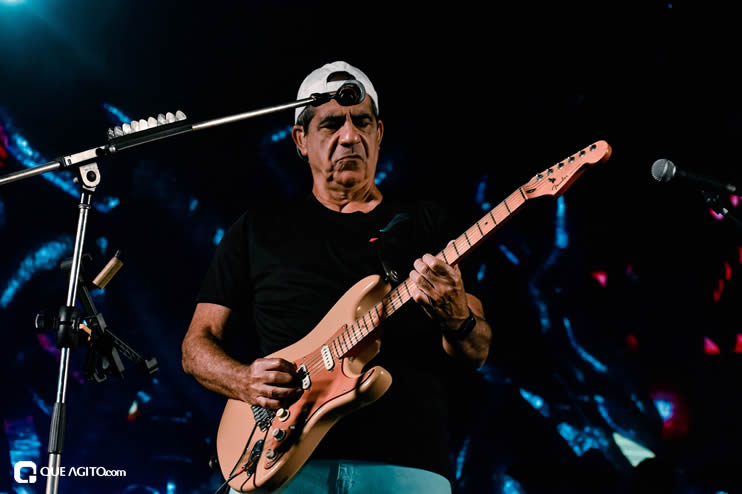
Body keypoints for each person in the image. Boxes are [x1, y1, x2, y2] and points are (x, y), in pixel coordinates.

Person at [181, 61, 492, 494]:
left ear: (378, 134)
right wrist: (243, 380)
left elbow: (478, 351)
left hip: (405, 467)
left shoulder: (428, 224)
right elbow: (196, 347)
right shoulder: (257, 229)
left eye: (362, 122)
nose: (349, 136)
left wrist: (457, 316)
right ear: (300, 139)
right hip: (279, 462)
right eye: (331, 124)